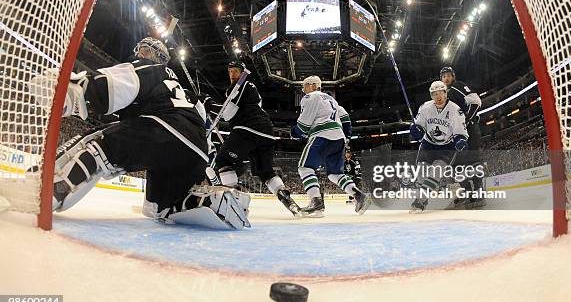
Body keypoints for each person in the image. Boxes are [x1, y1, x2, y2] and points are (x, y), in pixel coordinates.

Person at [29, 37, 249, 229]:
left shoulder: (150, 68)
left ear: (155, 56)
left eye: (145, 51)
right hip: (196, 151)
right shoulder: (185, 91)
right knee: (159, 208)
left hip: (165, 129)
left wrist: (76, 88)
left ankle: (48, 192)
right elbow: (204, 127)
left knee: (99, 144)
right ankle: (208, 202)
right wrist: (207, 161)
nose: (139, 54)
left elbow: (117, 84)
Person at [205, 61, 301, 217]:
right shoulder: (250, 89)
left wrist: (208, 104)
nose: (232, 74)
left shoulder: (241, 86)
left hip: (248, 129)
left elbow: (227, 114)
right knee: (266, 173)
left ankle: (233, 202)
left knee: (223, 161)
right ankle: (289, 203)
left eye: (236, 71)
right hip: (266, 133)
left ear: (242, 73)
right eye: (230, 71)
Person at [291, 75, 370, 217]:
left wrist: (294, 132)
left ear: (313, 85)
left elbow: (303, 126)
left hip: (322, 135)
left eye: (305, 86)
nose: (303, 90)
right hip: (338, 138)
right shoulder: (332, 100)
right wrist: (345, 137)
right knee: (335, 174)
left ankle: (316, 202)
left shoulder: (310, 97)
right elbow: (346, 119)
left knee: (305, 167)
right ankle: (359, 196)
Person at [409, 80, 468, 212]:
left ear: (446, 93)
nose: (438, 96)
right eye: (434, 94)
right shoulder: (425, 107)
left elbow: (461, 133)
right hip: (428, 144)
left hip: (447, 146)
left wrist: (460, 140)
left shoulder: (455, 110)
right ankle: (424, 198)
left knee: (435, 171)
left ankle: (419, 202)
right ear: (431, 96)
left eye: (441, 93)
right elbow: (419, 126)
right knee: (421, 177)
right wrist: (415, 130)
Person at [439, 66, 485, 208]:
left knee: (473, 161)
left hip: (469, 131)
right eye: (443, 76)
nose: (446, 78)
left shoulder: (458, 87)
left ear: (453, 77)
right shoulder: (443, 96)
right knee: (457, 165)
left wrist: (466, 121)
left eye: (448, 75)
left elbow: (475, 101)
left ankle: (478, 193)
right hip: (456, 135)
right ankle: (467, 192)